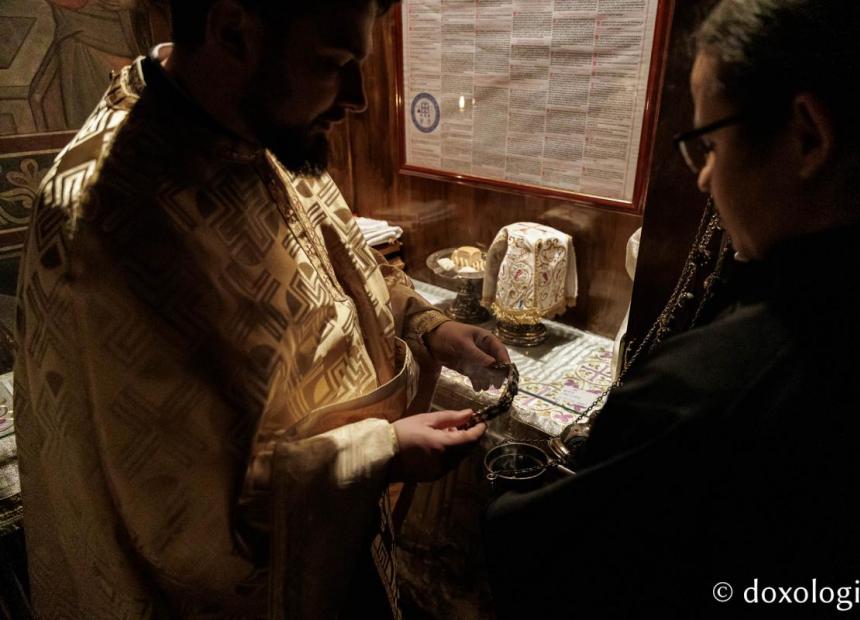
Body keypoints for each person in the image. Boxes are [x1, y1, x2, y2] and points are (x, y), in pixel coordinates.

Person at [14, 0, 511, 617]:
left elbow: (345, 265)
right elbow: (184, 529)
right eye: (333, 63)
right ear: (232, 32)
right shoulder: (106, 225)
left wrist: (429, 326)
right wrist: (380, 452)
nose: (358, 98)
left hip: (335, 538)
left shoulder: (261, 124)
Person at [484, 1, 860, 617]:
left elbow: (543, 566)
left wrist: (500, 500)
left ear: (807, 136)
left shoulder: (703, 391)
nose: (703, 179)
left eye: (711, 145)